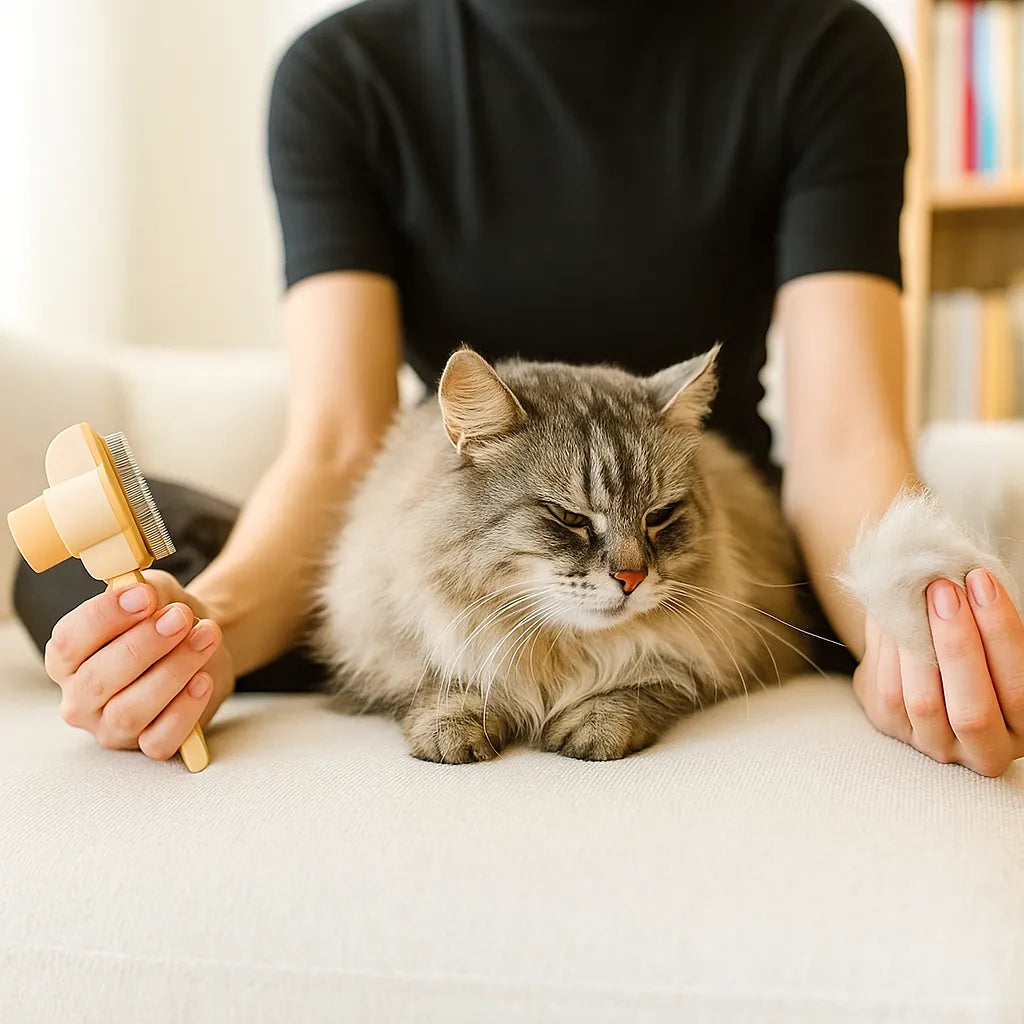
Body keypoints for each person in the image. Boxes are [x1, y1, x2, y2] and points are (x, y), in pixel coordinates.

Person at [15, 0, 1024, 776]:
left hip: (700, 546)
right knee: (59, 584)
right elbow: (336, 442)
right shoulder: (342, 74)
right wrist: (201, 633)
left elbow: (845, 442)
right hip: (489, 521)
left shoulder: (823, 46)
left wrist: (912, 628)